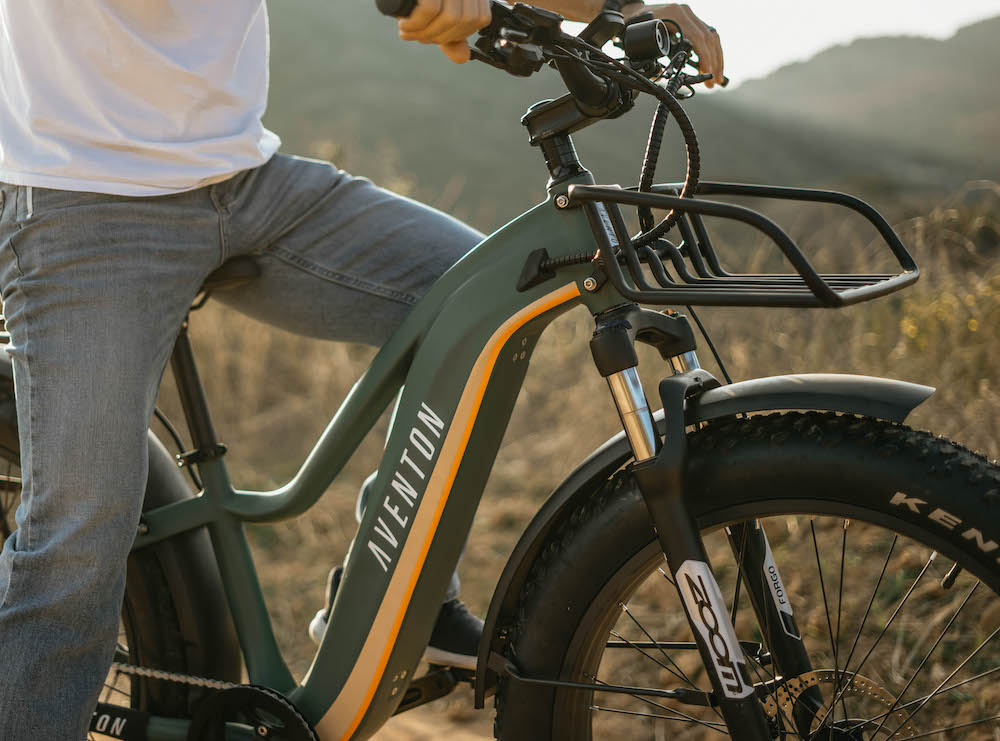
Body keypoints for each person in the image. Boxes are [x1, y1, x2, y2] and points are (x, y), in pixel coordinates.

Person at [0, 0, 723, 736]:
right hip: (83, 199)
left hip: (245, 181)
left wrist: (614, 8)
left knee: (477, 301)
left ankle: (402, 594)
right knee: (79, 532)